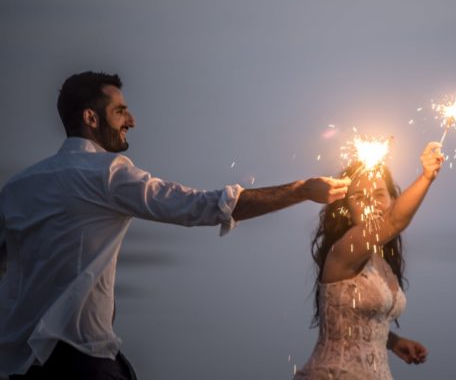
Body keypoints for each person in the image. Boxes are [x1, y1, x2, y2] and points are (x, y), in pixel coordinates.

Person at [0, 71, 350, 379]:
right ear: (91, 118)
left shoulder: (18, 187)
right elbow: (200, 206)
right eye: (120, 110)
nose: (132, 119)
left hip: (24, 362)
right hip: (83, 359)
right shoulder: (107, 174)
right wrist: (302, 190)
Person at [294, 141, 444, 379]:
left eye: (378, 195)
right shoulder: (344, 249)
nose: (370, 204)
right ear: (346, 209)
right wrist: (426, 177)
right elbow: (393, 221)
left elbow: (355, 321)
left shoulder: (381, 261)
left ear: (394, 199)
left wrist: (392, 341)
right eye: (359, 198)